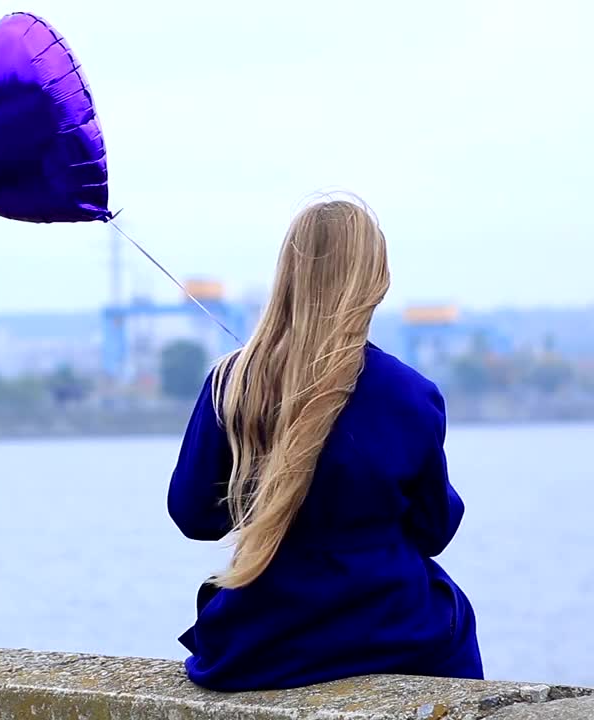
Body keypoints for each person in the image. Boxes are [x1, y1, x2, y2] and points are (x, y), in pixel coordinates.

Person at [168, 197, 483, 691]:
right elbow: (434, 528)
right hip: (386, 626)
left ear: (288, 274)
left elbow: (194, 516)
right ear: (377, 283)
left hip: (261, 635)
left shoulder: (231, 383)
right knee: (453, 613)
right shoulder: (411, 393)